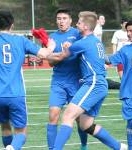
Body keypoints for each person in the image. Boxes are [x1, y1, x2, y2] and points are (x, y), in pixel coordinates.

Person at [52, 11, 127, 150]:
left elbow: (61, 56)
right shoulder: (96, 41)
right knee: (85, 124)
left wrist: (43, 55)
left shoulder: (82, 43)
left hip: (93, 83)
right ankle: (119, 147)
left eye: (79, 22)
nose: (77, 24)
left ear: (86, 26)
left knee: (68, 115)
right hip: (100, 84)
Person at [0, 10, 54, 150]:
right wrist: (51, 45)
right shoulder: (21, 40)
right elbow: (44, 54)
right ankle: (11, 148)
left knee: (5, 127)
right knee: (21, 133)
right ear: (12, 25)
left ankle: (10, 147)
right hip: (16, 93)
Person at [46, 8, 88, 150]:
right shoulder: (52, 37)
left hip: (76, 82)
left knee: (78, 120)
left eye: (64, 18)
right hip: (58, 82)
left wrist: (73, 48)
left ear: (71, 20)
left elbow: (86, 52)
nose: (61, 21)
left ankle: (83, 146)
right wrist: (62, 53)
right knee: (53, 115)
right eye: (59, 18)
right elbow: (50, 62)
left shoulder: (78, 34)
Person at [106, 20, 132, 150]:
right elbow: (109, 59)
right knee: (131, 122)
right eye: (127, 31)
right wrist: (94, 52)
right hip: (128, 91)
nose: (128, 33)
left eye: (131, 30)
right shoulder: (125, 50)